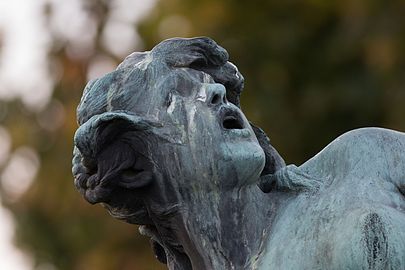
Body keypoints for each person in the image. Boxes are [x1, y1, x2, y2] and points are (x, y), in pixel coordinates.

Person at [73, 37, 405, 269]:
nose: (216, 92)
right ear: (135, 169)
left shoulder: (361, 160)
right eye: (174, 98)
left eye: (208, 83)